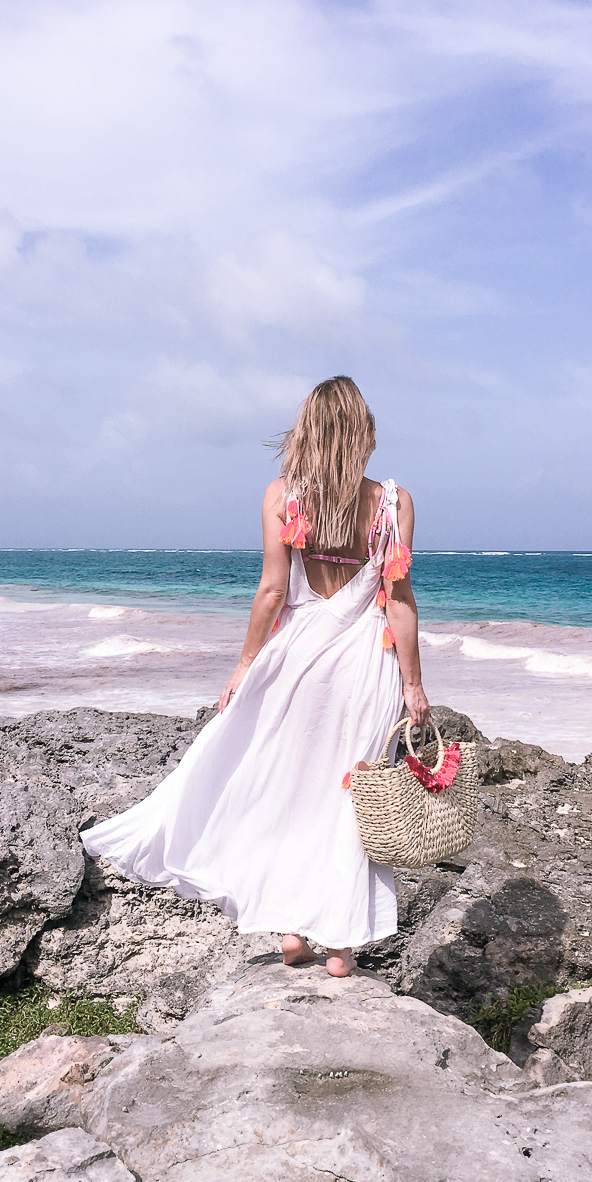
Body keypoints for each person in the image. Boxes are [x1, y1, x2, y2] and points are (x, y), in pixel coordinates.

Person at [80, 376, 430, 977]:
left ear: (309, 432)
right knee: (348, 800)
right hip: (363, 669)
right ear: (363, 433)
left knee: (288, 791)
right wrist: (415, 686)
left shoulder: (281, 497)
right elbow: (398, 601)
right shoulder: (394, 503)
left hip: (295, 661)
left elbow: (272, 592)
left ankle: (291, 929)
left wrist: (245, 665)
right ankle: (340, 947)